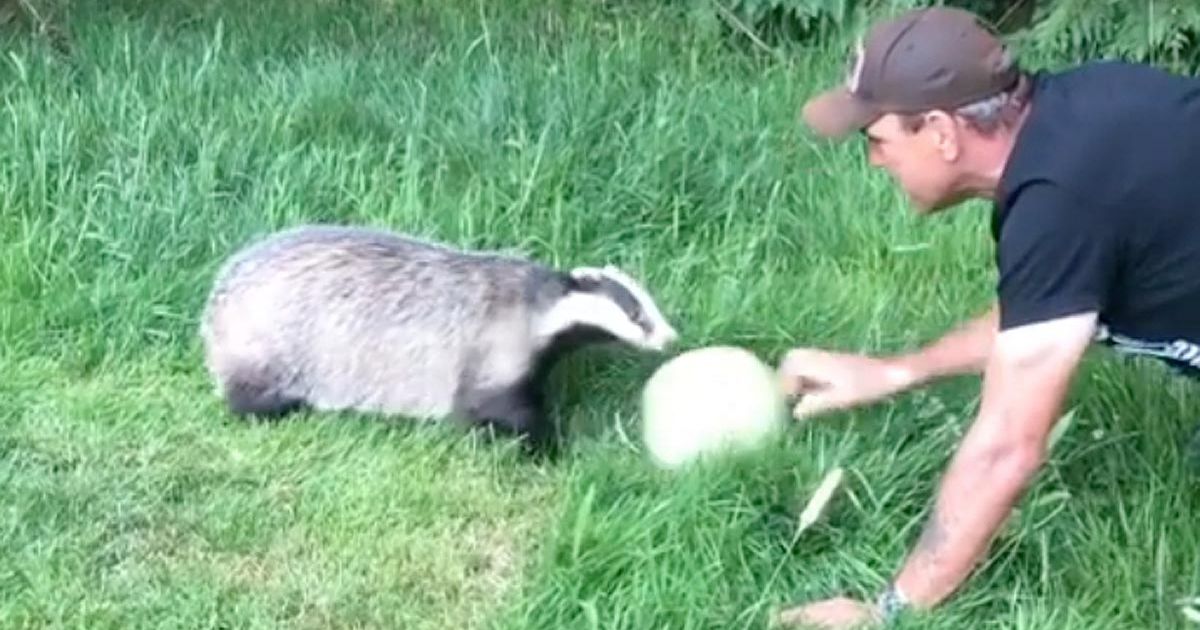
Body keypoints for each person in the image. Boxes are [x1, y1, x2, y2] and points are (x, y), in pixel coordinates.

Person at [772, 5, 1200, 629]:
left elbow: (1006, 448)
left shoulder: (1059, 202)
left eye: (879, 140)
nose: (875, 162)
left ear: (942, 131)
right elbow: (1047, 310)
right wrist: (898, 372)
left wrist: (888, 613)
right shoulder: (1082, 112)